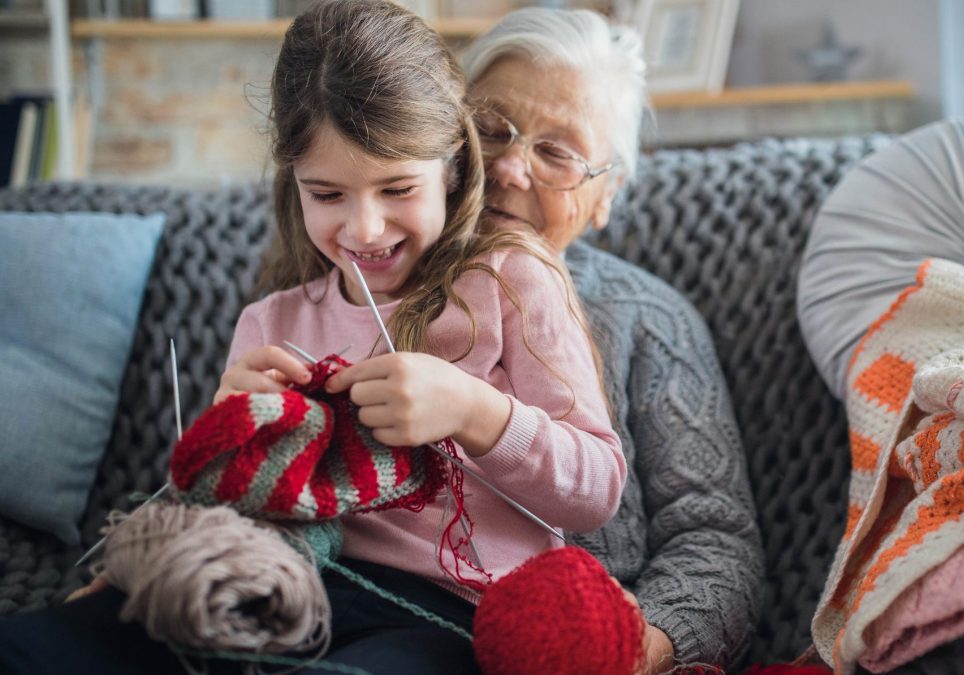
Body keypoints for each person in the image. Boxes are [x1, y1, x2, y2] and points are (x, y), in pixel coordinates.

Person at [0, 1, 624, 673]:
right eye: (328, 194)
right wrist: (230, 438)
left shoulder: (512, 282)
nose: (364, 228)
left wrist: (476, 412)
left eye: (398, 188)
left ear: (451, 167)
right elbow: (230, 506)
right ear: (292, 183)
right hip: (280, 583)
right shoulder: (270, 323)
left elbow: (595, 489)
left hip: (448, 616)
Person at [461, 8, 765, 673]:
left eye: (557, 152)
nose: (511, 167)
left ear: (608, 194)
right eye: (489, 128)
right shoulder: (368, 280)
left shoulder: (649, 318)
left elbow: (714, 540)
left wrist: (634, 646)